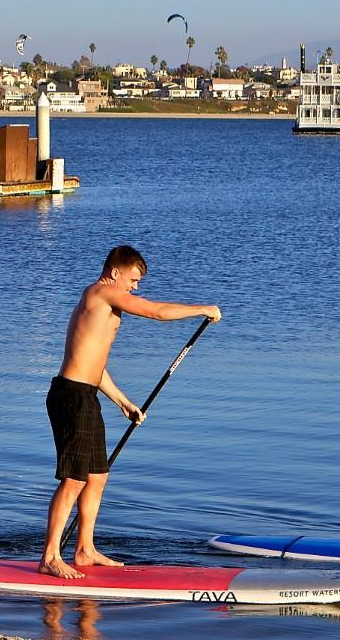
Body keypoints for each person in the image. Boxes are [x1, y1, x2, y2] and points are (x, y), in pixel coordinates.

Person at [41, 245, 222, 579]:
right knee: (74, 479)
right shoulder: (101, 292)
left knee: (97, 475)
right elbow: (155, 311)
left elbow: (94, 364)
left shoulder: (105, 303)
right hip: (70, 397)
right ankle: (51, 556)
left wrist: (122, 402)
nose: (135, 287)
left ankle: (84, 550)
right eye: (133, 279)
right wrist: (202, 309)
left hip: (87, 394)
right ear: (114, 272)